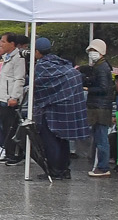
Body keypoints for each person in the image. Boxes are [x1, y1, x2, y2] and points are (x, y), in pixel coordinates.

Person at [32, 36, 89, 179]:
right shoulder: (62, 63)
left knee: (50, 141)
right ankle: (64, 169)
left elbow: (39, 87)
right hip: (68, 108)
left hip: (51, 110)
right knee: (63, 140)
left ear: (37, 51)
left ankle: (55, 170)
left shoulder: (41, 66)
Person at [84, 39, 116, 176]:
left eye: (94, 50)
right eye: (90, 51)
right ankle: (101, 165)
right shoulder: (101, 66)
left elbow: (104, 88)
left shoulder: (102, 67)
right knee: (99, 137)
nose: (92, 53)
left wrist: (88, 88)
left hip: (100, 107)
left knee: (101, 138)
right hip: (99, 106)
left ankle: (103, 167)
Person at [0, 32, 27, 165]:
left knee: (11, 127)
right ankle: (8, 152)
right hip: (3, 96)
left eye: (4, 41)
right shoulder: (6, 57)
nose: (1, 44)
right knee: (5, 127)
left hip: (10, 98)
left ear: (12, 44)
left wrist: (14, 96)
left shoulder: (18, 58)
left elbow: (19, 79)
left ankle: (14, 154)